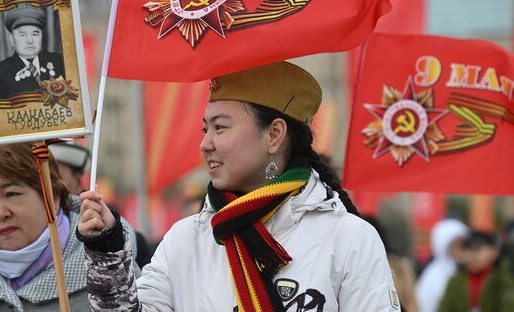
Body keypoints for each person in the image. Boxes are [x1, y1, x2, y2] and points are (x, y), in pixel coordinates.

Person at [77, 61, 400, 311]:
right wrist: (107, 250)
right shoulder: (186, 239)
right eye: (205, 128)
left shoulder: (348, 238)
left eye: (220, 128)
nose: (205, 144)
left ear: (274, 135)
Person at [0, 140, 136, 311]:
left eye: (11, 194)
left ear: (53, 197)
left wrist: (106, 257)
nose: (0, 213)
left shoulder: (110, 267)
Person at [49, 141, 154, 268]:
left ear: (77, 183)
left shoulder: (129, 243)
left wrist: (107, 244)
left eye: (52, 178)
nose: (42, 188)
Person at [0, 6, 65, 99]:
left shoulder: (59, 62)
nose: (30, 40)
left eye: (35, 34)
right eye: (23, 35)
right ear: (12, 39)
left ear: (41, 36)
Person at [438, 230, 514, 312]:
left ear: (494, 252)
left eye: (478, 250)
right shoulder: (455, 282)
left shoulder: (503, 281)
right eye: (467, 250)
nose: (472, 256)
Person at [415, 218, 469, 312]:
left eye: (463, 245)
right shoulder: (433, 277)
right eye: (454, 246)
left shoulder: (472, 269)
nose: (460, 251)